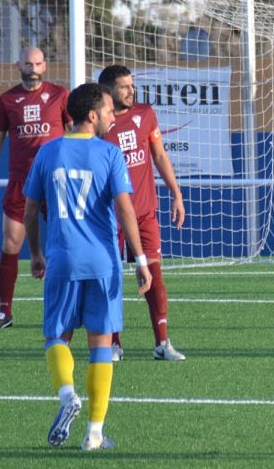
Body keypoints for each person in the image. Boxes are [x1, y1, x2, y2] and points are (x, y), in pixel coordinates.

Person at [24, 82, 152, 451]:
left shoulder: (47, 153)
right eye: (110, 110)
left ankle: (67, 396)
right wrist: (140, 260)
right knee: (101, 343)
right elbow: (126, 209)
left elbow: (31, 210)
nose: (114, 116)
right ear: (92, 115)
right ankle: (94, 434)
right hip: (102, 262)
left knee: (57, 336)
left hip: (62, 259)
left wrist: (36, 254)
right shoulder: (110, 154)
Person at [98, 65, 186, 362]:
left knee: (155, 276)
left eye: (131, 85)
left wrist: (176, 193)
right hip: (109, 217)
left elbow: (159, 154)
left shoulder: (145, 114)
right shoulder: (97, 125)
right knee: (111, 278)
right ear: (108, 90)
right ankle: (113, 344)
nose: (130, 90)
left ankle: (162, 343)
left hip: (145, 214)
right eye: (124, 86)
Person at [0, 47, 71, 329]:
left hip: (55, 181)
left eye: (37, 64)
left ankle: (64, 309)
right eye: (27, 63)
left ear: (45, 66)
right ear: (18, 64)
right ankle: (5, 311)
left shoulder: (60, 95)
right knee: (10, 243)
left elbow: (75, 135)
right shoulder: (7, 100)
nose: (32, 68)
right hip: (21, 181)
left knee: (62, 244)